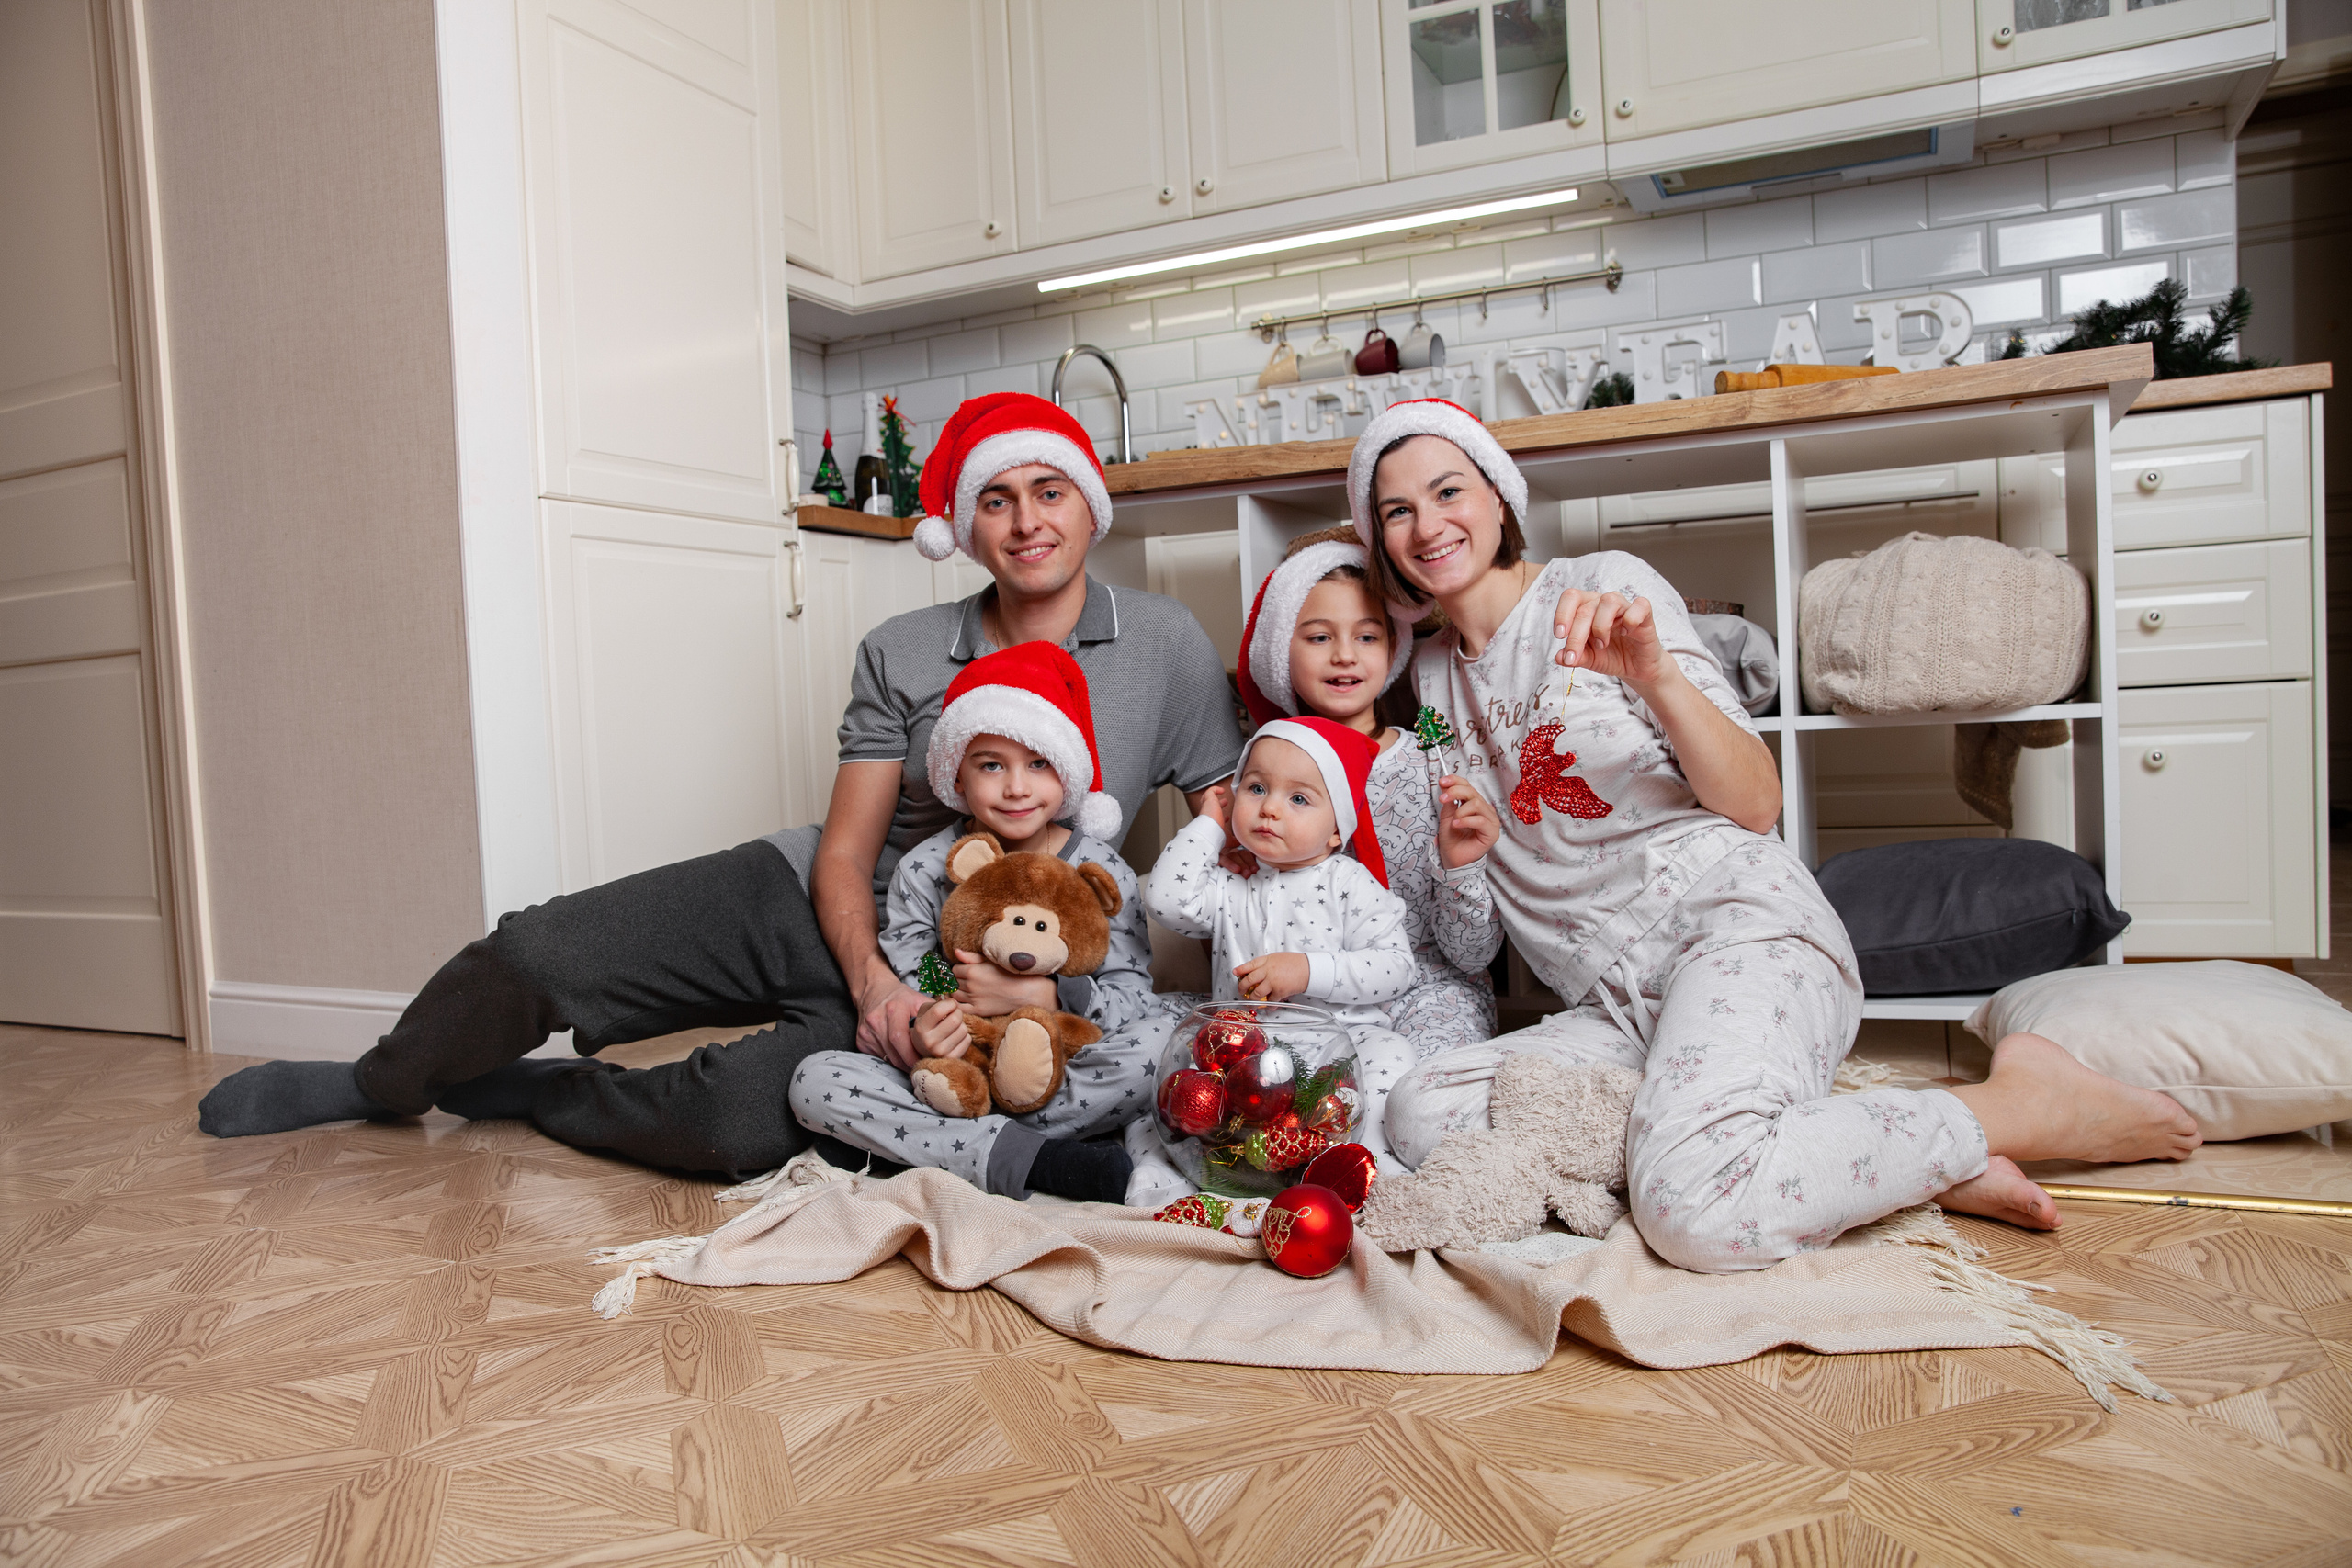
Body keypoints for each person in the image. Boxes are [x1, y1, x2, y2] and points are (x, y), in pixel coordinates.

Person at [198, 393, 1244, 1180]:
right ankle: (382, 1082)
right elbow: (844, 850)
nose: (1025, 523)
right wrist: (875, 986)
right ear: (963, 528)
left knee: (733, 1125)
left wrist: (1082, 998)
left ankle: (545, 1093)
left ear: (1089, 505)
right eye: (996, 500)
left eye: (1047, 491)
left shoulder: (1162, 643)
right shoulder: (904, 647)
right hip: (821, 902)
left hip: (972, 970)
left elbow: (1225, 842)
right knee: (540, 953)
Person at [1351, 398, 2201, 1272]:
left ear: (1498, 498)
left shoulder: (1605, 587)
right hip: (1610, 1004)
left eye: (1449, 490)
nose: (1428, 525)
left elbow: (1757, 803)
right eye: (1397, 510)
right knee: (1422, 1109)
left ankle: (2013, 1107)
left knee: (1694, 1213)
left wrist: (1656, 677)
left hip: (1736, 928)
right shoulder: (1421, 684)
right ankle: (1870, 1156)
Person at [787, 642, 1170, 1201]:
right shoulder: (925, 869)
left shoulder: (1101, 870)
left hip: (1067, 1063)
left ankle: (940, 1146)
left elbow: (1131, 997)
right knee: (814, 1082)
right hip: (961, 1064)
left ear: (1066, 770)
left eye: (1038, 764)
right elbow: (916, 968)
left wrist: (1049, 994)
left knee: (1165, 1043)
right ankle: (1039, 1156)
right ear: (957, 776)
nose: (1016, 787)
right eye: (992, 764)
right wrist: (936, 1013)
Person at [1237, 527, 1502, 1056]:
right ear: (1279, 649)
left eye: (1367, 636)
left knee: (1423, 1100)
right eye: (1318, 637)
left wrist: (1460, 868)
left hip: (1428, 993)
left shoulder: (1435, 766)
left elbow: (1472, 956)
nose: (1344, 656)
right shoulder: (1259, 781)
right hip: (1303, 1002)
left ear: (1393, 645)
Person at [1142, 716, 1419, 1171]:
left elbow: (1395, 967)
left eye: (1297, 798)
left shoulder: (1346, 881)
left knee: (1392, 1057)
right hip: (1245, 1055)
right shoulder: (1229, 884)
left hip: (1340, 1045)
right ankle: (1181, 1178)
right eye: (1255, 789)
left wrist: (1307, 970)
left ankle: (1361, 1164)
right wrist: (1211, 826)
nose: (1270, 808)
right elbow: (1165, 898)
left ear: (1336, 830)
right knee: (1172, 1084)